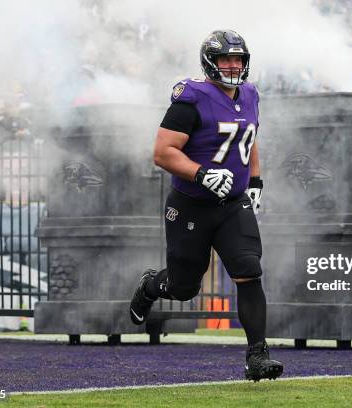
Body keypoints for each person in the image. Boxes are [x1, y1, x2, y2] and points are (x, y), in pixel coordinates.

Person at [129, 30, 283, 382]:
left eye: (238, 59)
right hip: (192, 204)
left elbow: (249, 137)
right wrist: (201, 174)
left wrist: (255, 182)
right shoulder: (192, 97)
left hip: (231, 203)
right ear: (211, 61)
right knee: (184, 288)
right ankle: (152, 286)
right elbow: (162, 152)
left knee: (249, 269)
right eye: (226, 59)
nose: (233, 65)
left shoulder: (250, 94)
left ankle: (257, 355)